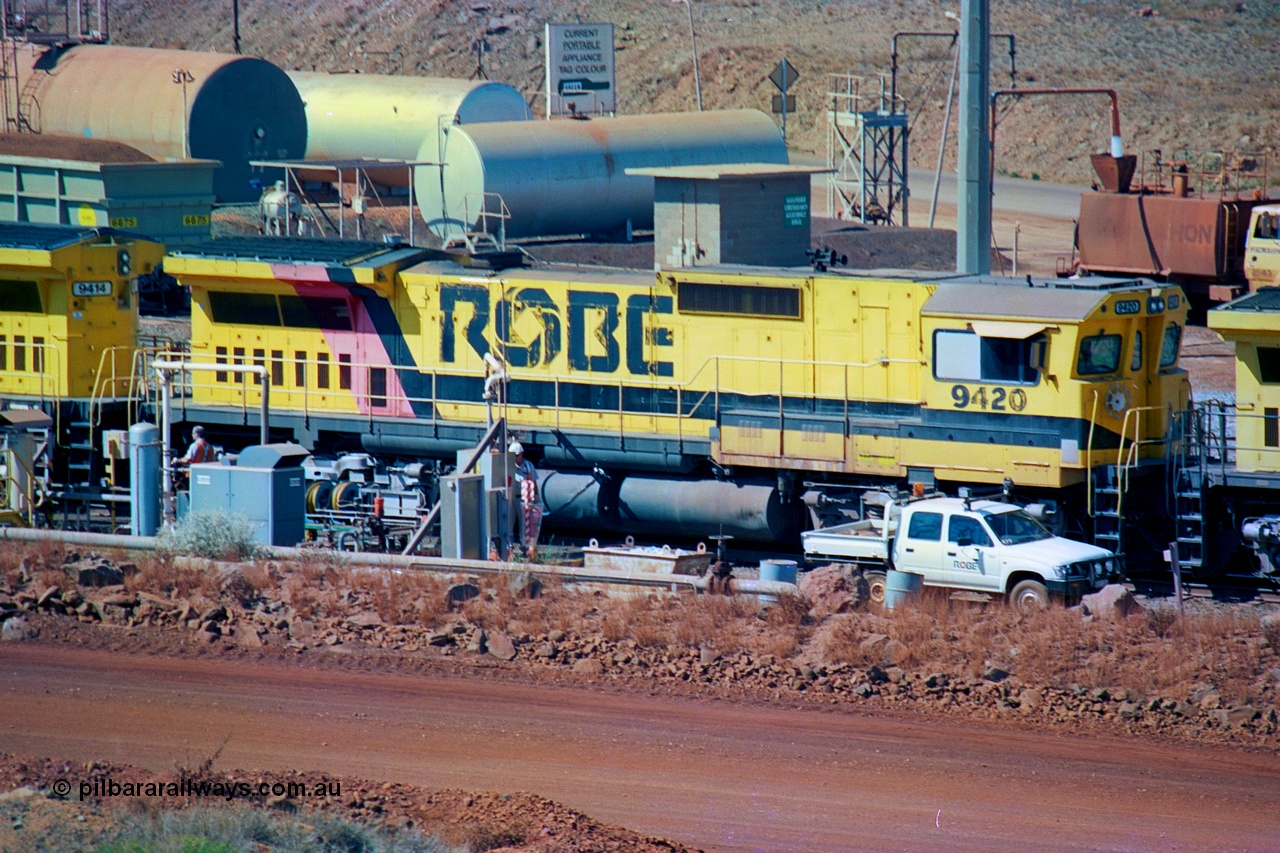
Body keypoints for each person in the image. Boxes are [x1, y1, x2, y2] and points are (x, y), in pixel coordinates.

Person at [509, 440, 542, 561]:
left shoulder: (528, 466)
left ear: (521, 454)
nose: (514, 458)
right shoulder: (507, 466)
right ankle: (509, 548)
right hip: (511, 499)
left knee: (525, 525)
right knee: (508, 524)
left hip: (524, 500)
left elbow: (533, 482)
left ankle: (526, 548)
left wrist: (536, 499)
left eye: (516, 456)